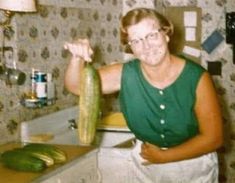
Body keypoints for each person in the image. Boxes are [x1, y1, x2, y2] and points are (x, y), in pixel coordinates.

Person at [64, 8, 223, 183]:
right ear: (130, 46)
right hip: (147, 168)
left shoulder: (197, 77)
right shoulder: (125, 74)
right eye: (136, 41)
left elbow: (213, 138)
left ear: (166, 34)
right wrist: (76, 57)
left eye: (152, 35)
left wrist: (165, 157)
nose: (146, 46)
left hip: (194, 169)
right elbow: (76, 86)